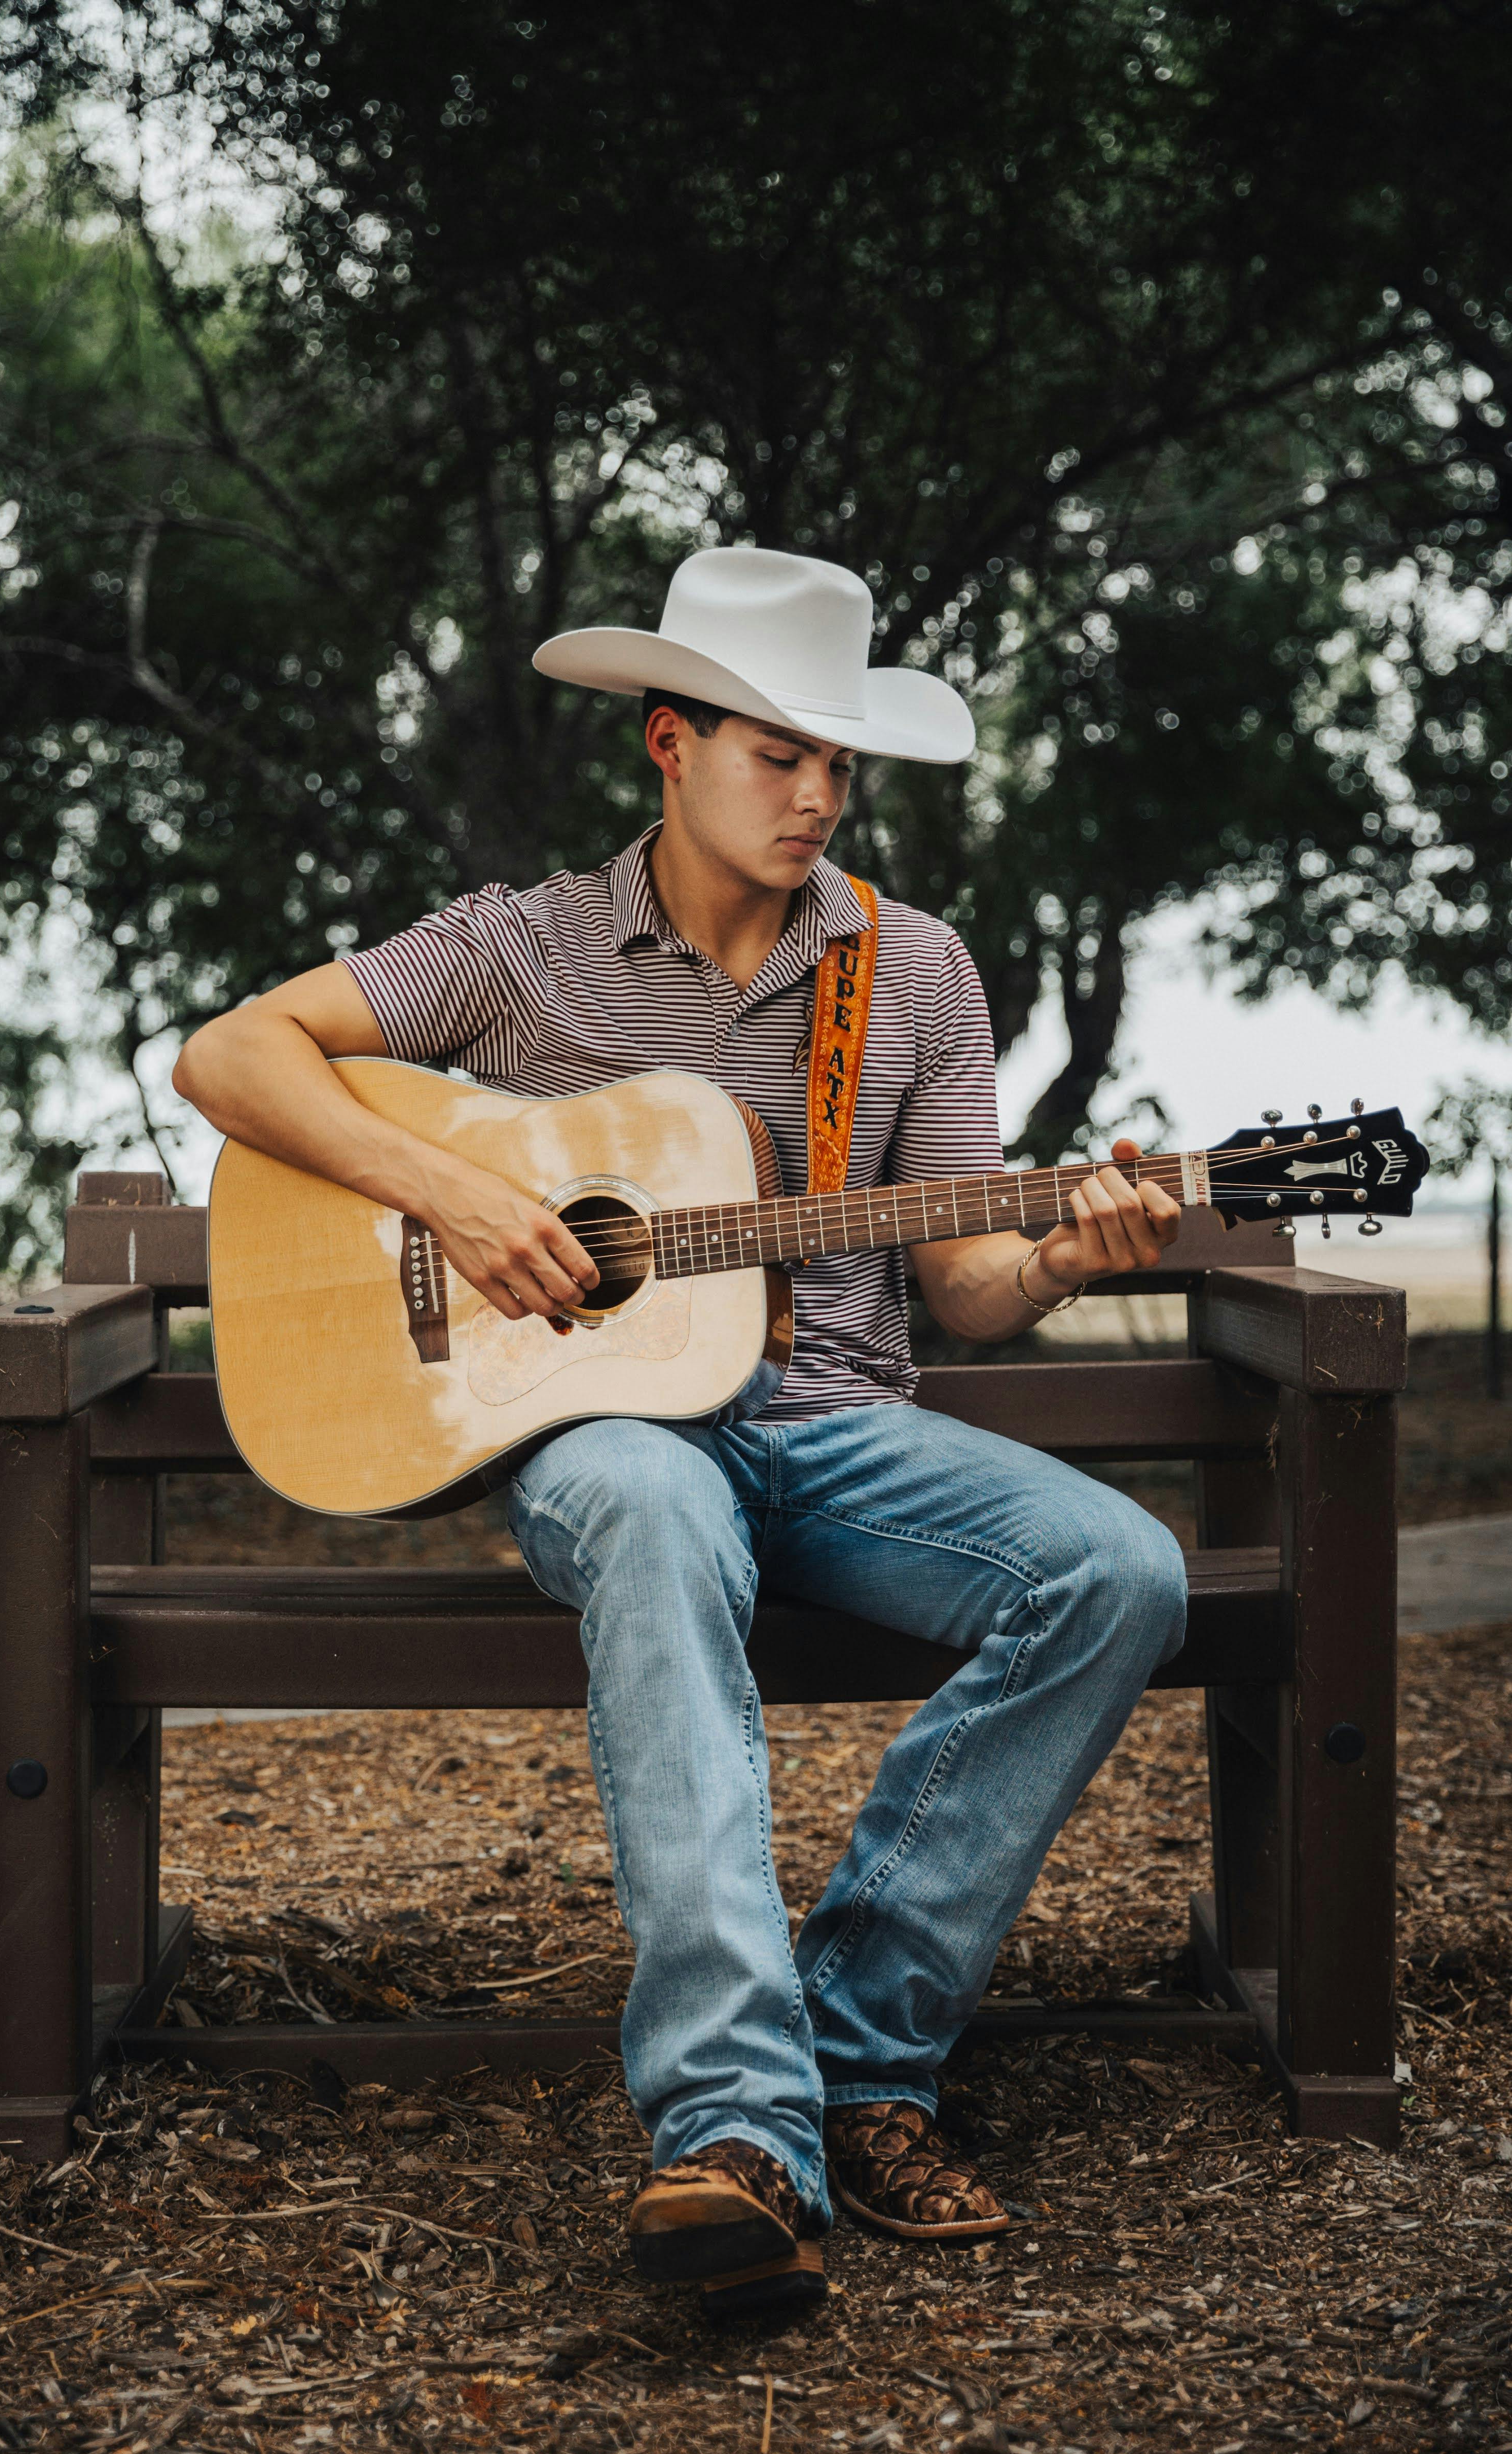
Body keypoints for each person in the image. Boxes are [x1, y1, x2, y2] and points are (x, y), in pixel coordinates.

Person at [174, 547, 1189, 2321]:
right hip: (610, 1437)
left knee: (1118, 1568)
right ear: (664, 739)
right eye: (769, 751)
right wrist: (462, 1203)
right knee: (646, 1497)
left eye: (834, 762)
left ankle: (862, 2053)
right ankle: (735, 2130)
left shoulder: (915, 970)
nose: (810, 794)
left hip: (838, 1433)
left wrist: (1060, 1252)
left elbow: (957, 1286)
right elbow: (231, 1054)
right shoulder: (523, 946)